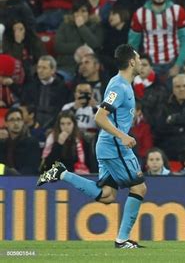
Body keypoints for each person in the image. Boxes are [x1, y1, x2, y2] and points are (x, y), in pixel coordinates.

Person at [37, 44, 147, 249]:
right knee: (139, 187)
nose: (141, 61)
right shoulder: (119, 86)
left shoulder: (119, 83)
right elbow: (100, 117)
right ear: (131, 62)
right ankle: (122, 240)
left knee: (107, 196)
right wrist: (123, 136)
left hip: (107, 145)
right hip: (115, 146)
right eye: (138, 58)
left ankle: (62, 173)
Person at [0, 107, 41, 175]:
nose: (16, 123)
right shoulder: (2, 144)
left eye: (19, 119)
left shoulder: (31, 142)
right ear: (6, 123)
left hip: (24, 182)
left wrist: (13, 174)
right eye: (12, 120)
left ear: (22, 122)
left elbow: (31, 168)